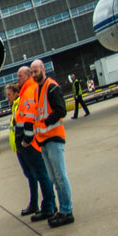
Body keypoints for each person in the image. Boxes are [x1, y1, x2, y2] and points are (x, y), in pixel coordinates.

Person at [31, 59, 74, 227]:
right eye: (32, 72)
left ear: (43, 69)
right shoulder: (38, 90)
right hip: (44, 140)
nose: (34, 75)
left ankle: (67, 210)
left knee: (60, 176)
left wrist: (47, 122)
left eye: (36, 71)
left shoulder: (51, 86)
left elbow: (61, 109)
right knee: (54, 178)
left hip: (54, 137)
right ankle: (62, 210)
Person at [11, 65, 54, 219]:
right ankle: (48, 205)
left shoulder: (29, 91)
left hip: (31, 143)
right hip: (29, 142)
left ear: (28, 76)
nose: (17, 79)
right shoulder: (27, 92)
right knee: (41, 174)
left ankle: (48, 206)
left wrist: (26, 141)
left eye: (20, 76)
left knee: (42, 174)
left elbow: (29, 118)